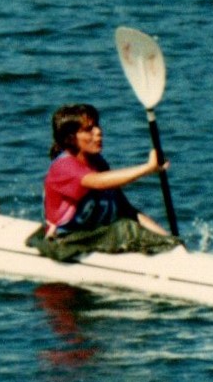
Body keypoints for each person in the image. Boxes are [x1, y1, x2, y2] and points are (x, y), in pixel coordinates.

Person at [27, 103, 180, 262]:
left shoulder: (98, 163)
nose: (98, 131)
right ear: (70, 139)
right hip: (64, 241)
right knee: (125, 229)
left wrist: (170, 241)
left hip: (92, 236)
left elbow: (129, 212)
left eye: (97, 126)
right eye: (89, 129)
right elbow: (96, 181)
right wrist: (148, 168)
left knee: (129, 224)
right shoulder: (63, 167)